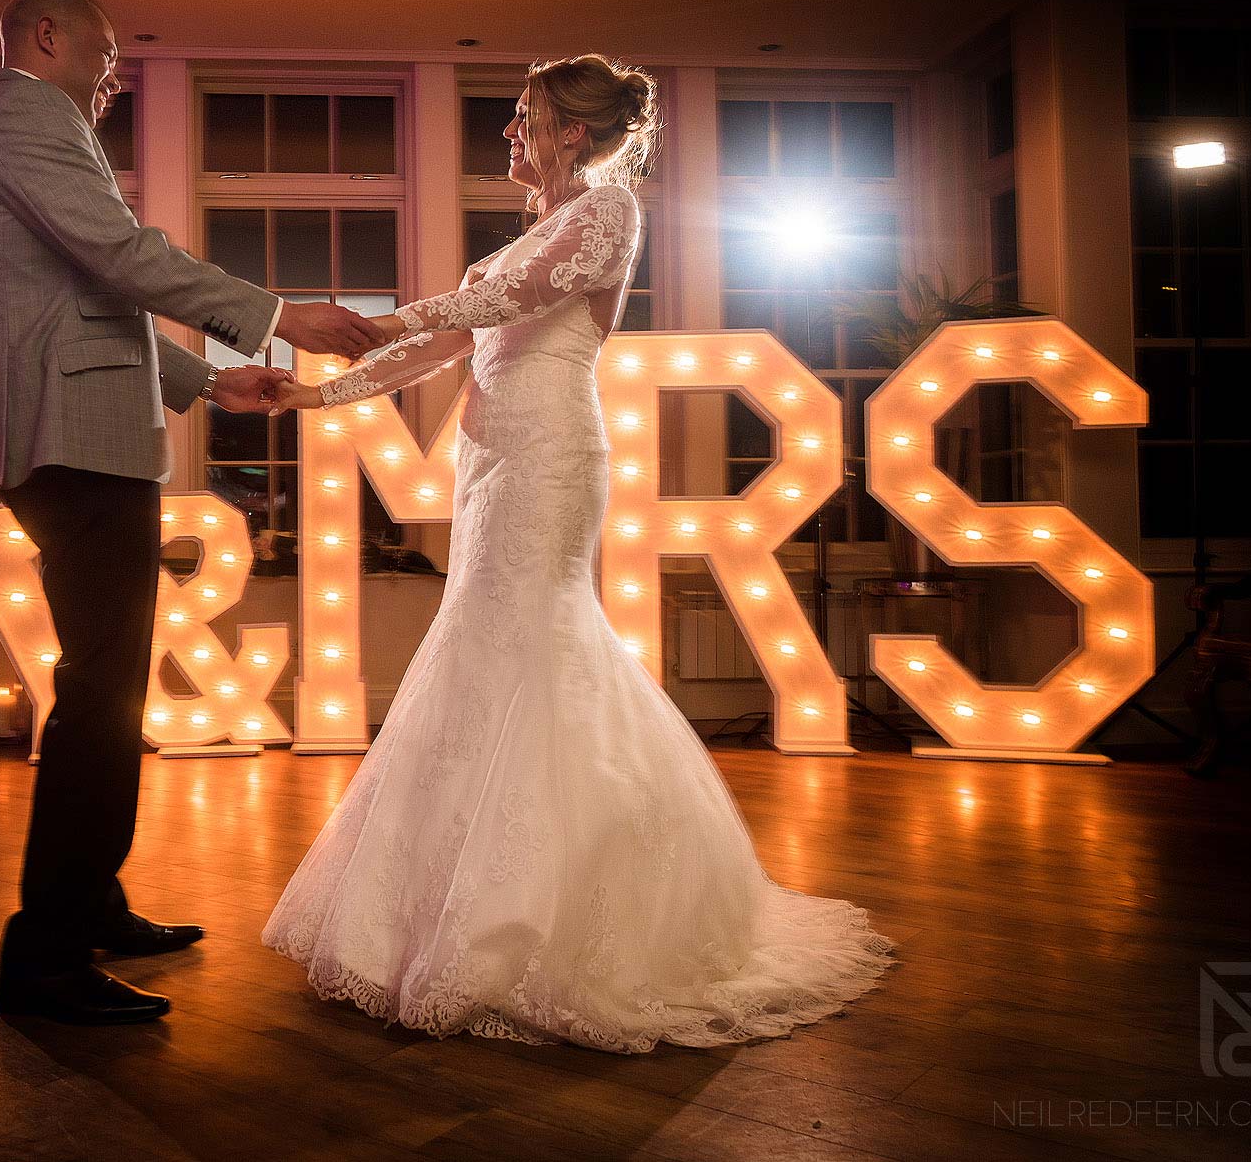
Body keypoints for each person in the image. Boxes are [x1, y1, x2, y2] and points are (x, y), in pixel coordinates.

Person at [261, 55, 893, 1053]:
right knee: (485, 652)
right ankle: (436, 912)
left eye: (522, 119)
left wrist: (380, 315)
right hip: (489, 462)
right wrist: (308, 394)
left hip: (550, 455)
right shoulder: (540, 229)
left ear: (570, 134)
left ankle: (544, 922)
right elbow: (440, 350)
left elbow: (493, 305)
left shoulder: (603, 214)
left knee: (531, 641)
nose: (507, 135)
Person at [0, 0, 389, 1025]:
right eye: (99, 60)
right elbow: (122, 259)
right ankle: (43, 960)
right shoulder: (21, 114)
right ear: (42, 37)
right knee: (101, 703)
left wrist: (206, 383)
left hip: (73, 437)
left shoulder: (17, 122)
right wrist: (275, 317)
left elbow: (85, 296)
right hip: (75, 448)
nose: (107, 83)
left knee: (105, 690)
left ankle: (90, 908)